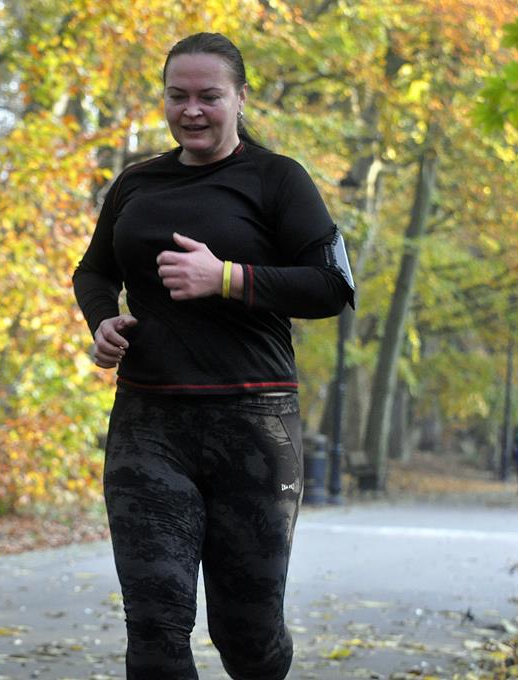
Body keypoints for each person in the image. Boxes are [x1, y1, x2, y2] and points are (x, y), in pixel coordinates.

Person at [73, 32, 355, 680]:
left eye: (209, 96)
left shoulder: (277, 179)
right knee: (154, 629)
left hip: (254, 425)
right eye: (178, 96)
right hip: (149, 425)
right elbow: (93, 271)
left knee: (247, 639)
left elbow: (332, 286)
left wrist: (227, 277)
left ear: (241, 98)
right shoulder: (136, 182)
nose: (192, 110)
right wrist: (102, 320)